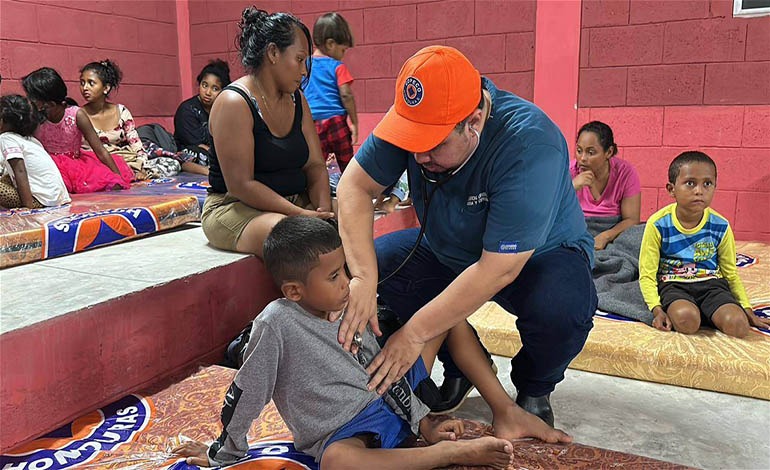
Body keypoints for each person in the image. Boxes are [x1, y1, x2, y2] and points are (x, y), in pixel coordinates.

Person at [173, 216, 569, 469]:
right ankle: (446, 455)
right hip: (348, 428)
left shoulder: (349, 303)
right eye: (333, 277)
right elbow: (247, 392)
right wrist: (223, 452)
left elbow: (380, 367)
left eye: (344, 269)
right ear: (294, 291)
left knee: (443, 319)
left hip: (392, 396)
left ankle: (503, 409)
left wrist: (422, 419)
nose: (347, 282)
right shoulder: (276, 324)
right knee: (337, 463)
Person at [336, 46, 597, 426]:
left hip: (535, 256)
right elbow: (353, 188)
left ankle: (534, 386)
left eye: (435, 144)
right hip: (448, 247)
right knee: (381, 263)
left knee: (563, 309)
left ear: (473, 121)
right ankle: (461, 363)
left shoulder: (530, 143)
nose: (419, 156)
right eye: (413, 142)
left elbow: (499, 269)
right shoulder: (416, 115)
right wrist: (362, 276)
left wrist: (414, 335)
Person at [201, 8, 333, 258]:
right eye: (299, 59)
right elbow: (242, 185)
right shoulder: (234, 102)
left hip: (292, 203)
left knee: (346, 219)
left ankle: (359, 293)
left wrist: (322, 209)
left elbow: (315, 165)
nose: (304, 71)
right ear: (273, 53)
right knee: (297, 237)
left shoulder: (297, 100)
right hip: (234, 207)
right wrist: (303, 216)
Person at [638, 151, 769, 337]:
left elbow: (730, 272)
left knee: (739, 326)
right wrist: (657, 309)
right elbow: (647, 274)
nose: (699, 190)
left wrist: (746, 309)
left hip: (711, 285)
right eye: (690, 183)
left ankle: (710, 311)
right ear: (671, 189)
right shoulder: (658, 224)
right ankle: (699, 313)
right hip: (674, 284)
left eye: (707, 184)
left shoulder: (720, 225)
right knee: (687, 321)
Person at [22, 67, 133, 193]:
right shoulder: (35, 118)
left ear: (49, 104)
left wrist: (118, 178)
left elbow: (100, 151)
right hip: (47, 166)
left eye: (33, 98)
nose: (29, 101)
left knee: (108, 183)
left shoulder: (76, 115)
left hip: (76, 168)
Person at [79, 59, 179, 179]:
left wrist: (142, 166)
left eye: (91, 83)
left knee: (173, 164)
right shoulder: (79, 115)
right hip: (97, 163)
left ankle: (133, 175)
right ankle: (126, 176)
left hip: (126, 160)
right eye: (82, 83)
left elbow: (136, 144)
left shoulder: (121, 112)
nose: (85, 88)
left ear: (106, 88)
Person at [571, 121, 641, 250]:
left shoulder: (625, 172)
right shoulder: (570, 172)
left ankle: (596, 260)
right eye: (579, 150)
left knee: (641, 233)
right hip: (578, 229)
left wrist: (605, 236)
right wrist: (571, 187)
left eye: (591, 152)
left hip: (612, 230)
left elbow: (632, 219)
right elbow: (550, 213)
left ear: (609, 152)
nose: (582, 158)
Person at [304, 12, 358, 174]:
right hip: (336, 122)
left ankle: (318, 195)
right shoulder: (337, 67)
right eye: (343, 50)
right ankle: (350, 189)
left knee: (317, 165)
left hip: (313, 124)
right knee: (347, 163)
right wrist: (354, 122)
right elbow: (346, 95)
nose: (343, 55)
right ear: (330, 44)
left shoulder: (305, 65)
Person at [0, 94, 70, 208]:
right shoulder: (30, 140)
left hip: (39, 202)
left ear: (2, 121)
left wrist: (28, 208)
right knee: (6, 178)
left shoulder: (6, 138)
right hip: (57, 199)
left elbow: (20, 171)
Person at [174, 59, 232, 175]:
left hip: (215, 152)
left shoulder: (224, 110)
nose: (208, 92)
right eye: (205, 85)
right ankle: (210, 172)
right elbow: (198, 145)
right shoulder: (187, 110)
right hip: (191, 153)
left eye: (215, 88)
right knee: (197, 154)